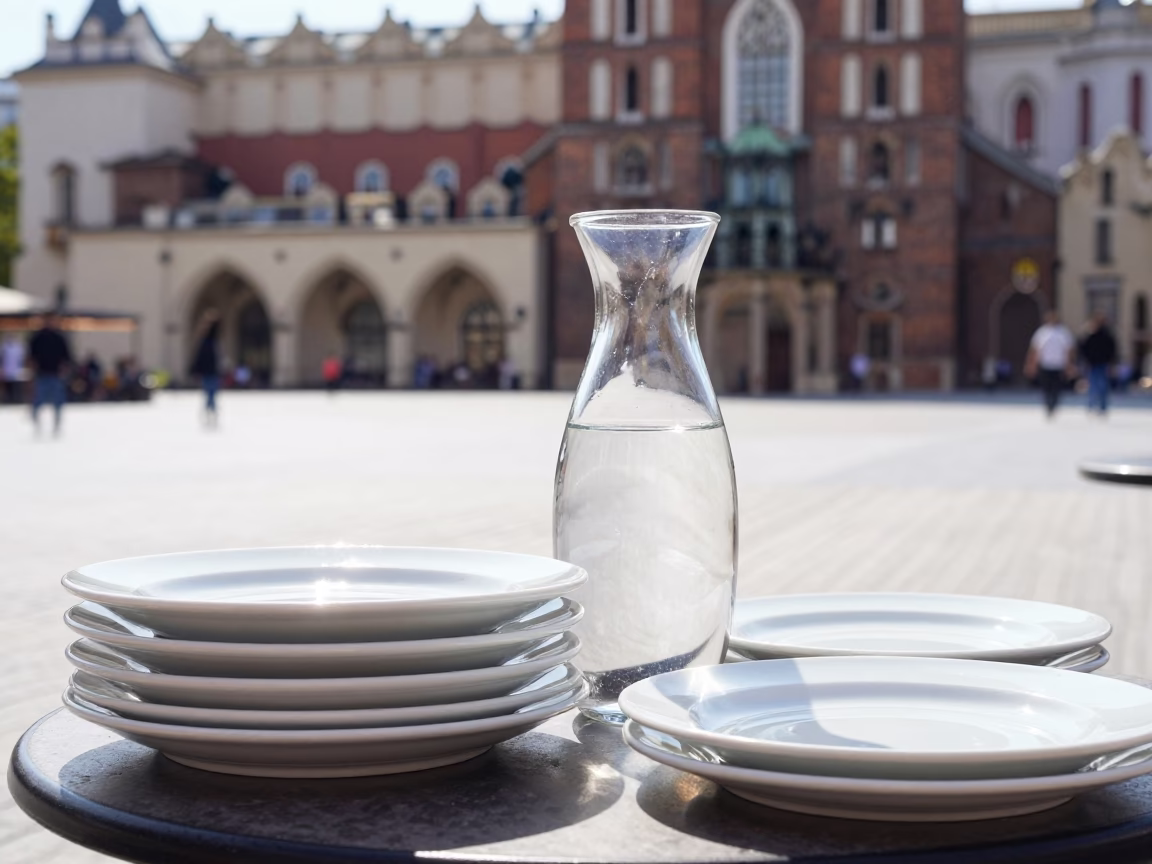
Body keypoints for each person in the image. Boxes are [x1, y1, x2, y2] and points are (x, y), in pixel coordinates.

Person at [1025, 310, 1077, 419]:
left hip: (1058, 364)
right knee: (1046, 387)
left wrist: (1069, 365)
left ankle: (1054, 404)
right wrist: (1031, 364)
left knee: (1056, 387)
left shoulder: (1063, 332)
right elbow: (1035, 349)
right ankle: (1048, 405)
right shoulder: (1042, 332)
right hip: (1045, 364)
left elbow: (1068, 350)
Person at [28, 313, 73, 436]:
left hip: (56, 374)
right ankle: (36, 422)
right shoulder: (37, 337)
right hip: (41, 373)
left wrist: (65, 368)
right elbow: (31, 355)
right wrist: (33, 368)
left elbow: (67, 356)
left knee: (58, 400)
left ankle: (57, 424)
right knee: (39, 399)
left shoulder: (59, 337)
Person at [1080, 314, 1118, 416]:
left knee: (1098, 385)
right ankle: (1097, 406)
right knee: (1098, 385)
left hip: (1100, 363)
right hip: (1096, 363)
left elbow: (1111, 350)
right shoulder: (1094, 335)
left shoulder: (1103, 335)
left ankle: (1098, 406)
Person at [190, 312, 221, 426]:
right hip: (210, 371)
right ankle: (210, 411)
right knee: (210, 393)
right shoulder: (209, 342)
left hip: (211, 371)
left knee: (210, 393)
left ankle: (210, 411)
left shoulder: (208, 342)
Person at [1, 334, 25, 404]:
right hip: (6, 368)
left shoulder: (18, 347)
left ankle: (17, 399)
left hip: (16, 369)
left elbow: (21, 359)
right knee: (8, 386)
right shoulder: (4, 347)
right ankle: (8, 399)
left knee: (16, 385)